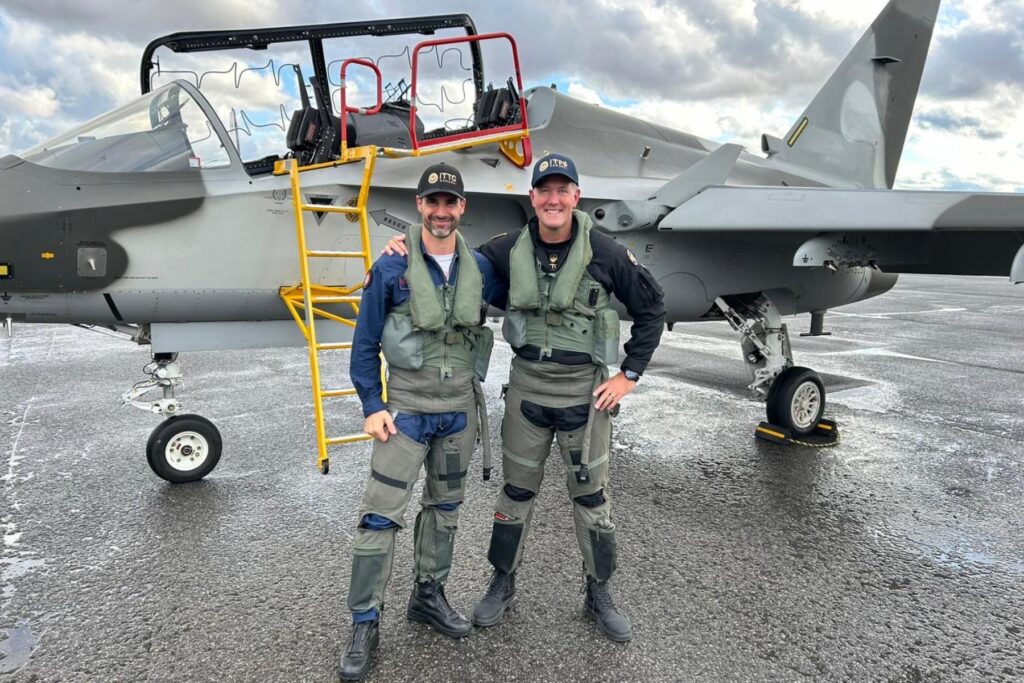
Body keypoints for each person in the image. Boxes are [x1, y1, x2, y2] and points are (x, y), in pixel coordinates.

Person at [385, 153, 666, 643]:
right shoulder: (505, 249)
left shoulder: (607, 253)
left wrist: (629, 375)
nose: (553, 199)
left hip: (584, 394)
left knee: (592, 497)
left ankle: (599, 592)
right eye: (545, 190)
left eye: (563, 190)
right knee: (515, 494)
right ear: (532, 197)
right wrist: (406, 245)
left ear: (576, 196)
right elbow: (448, 259)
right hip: (527, 390)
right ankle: (502, 581)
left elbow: (652, 307)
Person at [340, 162, 503, 681]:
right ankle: (364, 621)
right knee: (379, 517)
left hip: (458, 412)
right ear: (420, 206)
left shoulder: (482, 267)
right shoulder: (392, 266)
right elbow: (365, 342)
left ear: (462, 207)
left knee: (445, 511)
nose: (441, 211)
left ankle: (427, 595)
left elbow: (534, 267)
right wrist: (372, 405)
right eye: (432, 201)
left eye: (450, 202)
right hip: (406, 412)